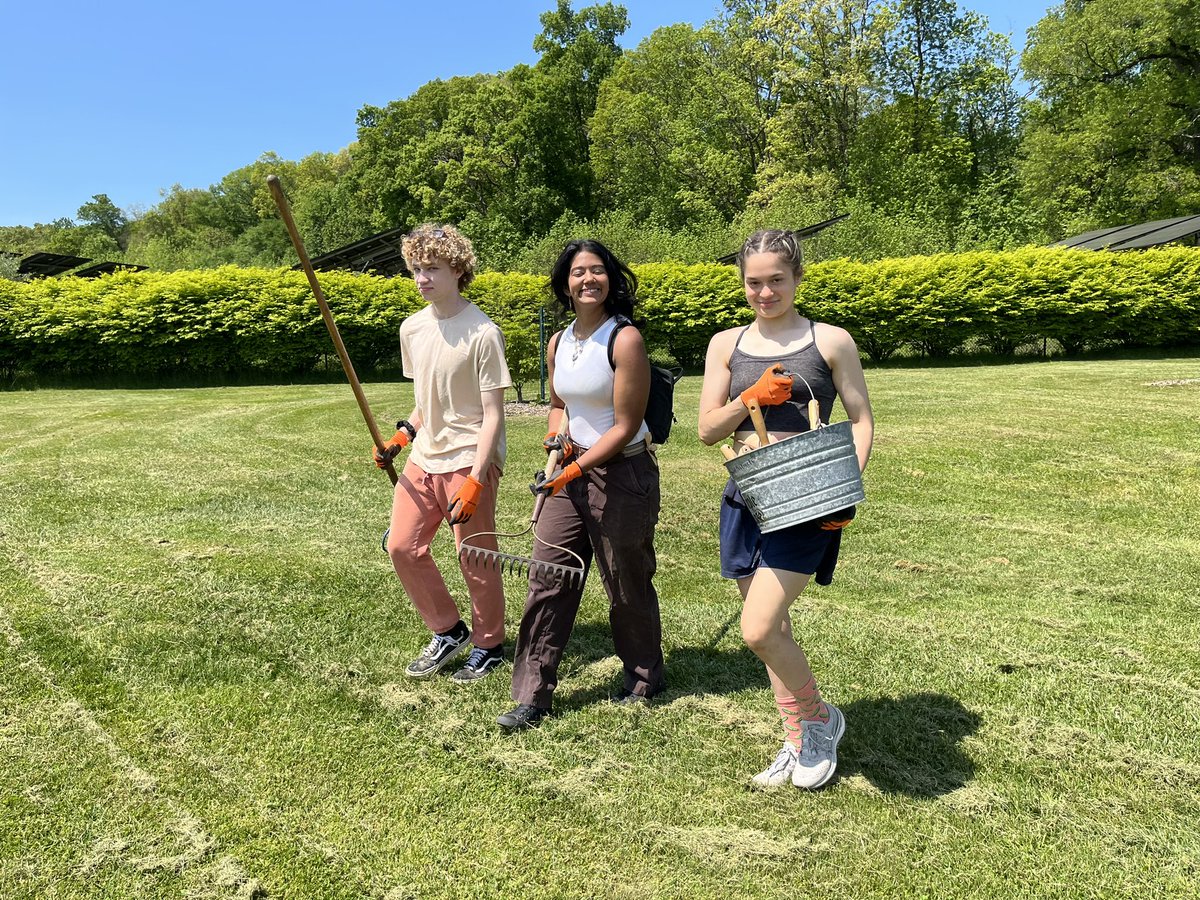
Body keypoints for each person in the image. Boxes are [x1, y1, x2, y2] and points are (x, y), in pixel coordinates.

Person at [698, 229, 874, 789]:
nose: (765, 292)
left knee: (757, 628)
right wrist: (750, 400)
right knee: (777, 629)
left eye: (777, 279)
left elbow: (862, 419)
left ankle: (820, 719)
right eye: (754, 282)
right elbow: (705, 430)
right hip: (747, 496)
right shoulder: (726, 344)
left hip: (809, 500)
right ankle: (796, 740)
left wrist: (846, 484)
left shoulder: (831, 341)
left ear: (797, 277)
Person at [497, 239, 665, 730]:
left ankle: (643, 676)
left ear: (611, 279)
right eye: (577, 272)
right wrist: (555, 442)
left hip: (623, 474)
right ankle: (531, 694)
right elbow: (559, 404)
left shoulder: (624, 339)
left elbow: (624, 424)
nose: (587, 279)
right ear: (564, 283)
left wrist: (574, 468)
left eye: (597, 271)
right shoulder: (559, 341)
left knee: (624, 581)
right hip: (569, 472)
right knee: (548, 577)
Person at [374, 224, 512, 682]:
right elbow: (427, 399)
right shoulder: (411, 328)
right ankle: (449, 630)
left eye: (431, 268)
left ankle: (489, 643)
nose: (422, 278)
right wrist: (402, 436)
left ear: (457, 270)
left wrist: (477, 478)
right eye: (416, 269)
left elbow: (493, 414)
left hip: (469, 456)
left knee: (473, 554)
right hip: (426, 454)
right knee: (401, 546)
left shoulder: (482, 332)